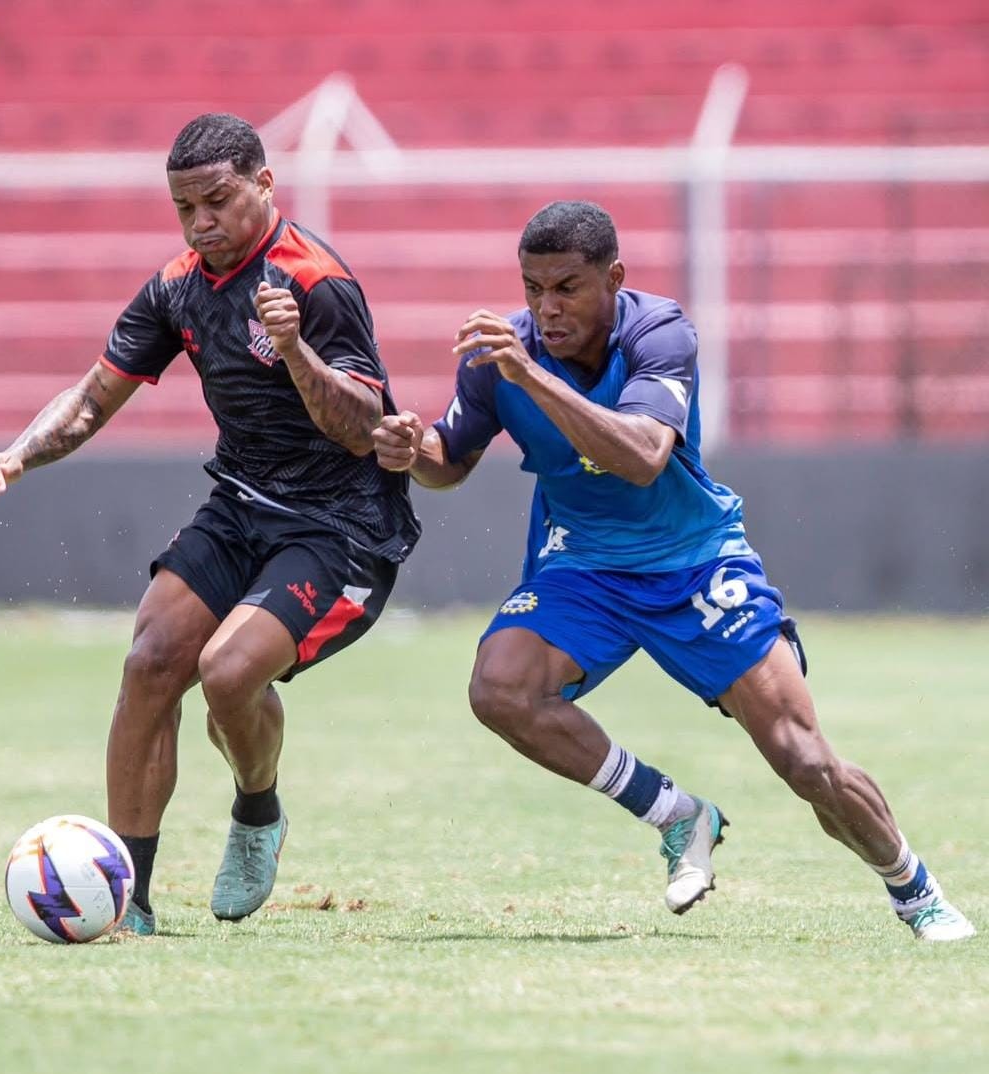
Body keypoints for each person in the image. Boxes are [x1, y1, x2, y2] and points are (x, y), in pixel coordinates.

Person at [373, 199, 974, 942]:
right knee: (499, 687)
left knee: (802, 759)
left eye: (566, 287)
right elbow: (448, 461)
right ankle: (677, 814)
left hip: (695, 567)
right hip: (585, 570)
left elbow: (641, 456)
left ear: (613, 279)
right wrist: (410, 453)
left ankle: (913, 888)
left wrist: (528, 374)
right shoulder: (502, 358)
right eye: (532, 289)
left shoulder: (659, 333)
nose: (545, 308)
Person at [0, 113, 420, 935]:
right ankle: (127, 901)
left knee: (226, 674)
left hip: (341, 525)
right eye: (186, 209)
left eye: (217, 201)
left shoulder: (315, 282)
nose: (202, 223)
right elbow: (90, 397)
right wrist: (20, 454)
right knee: (149, 663)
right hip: (241, 504)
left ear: (263, 185)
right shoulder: (176, 286)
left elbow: (364, 427)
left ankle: (257, 812)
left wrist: (294, 352)